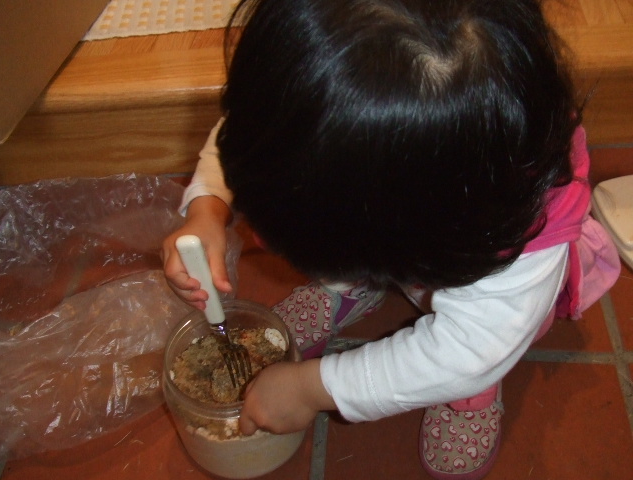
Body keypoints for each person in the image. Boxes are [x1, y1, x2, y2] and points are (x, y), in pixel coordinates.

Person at [161, 0, 621, 478]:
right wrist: (206, 210)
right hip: (393, 218)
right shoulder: (326, 112)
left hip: (484, 313)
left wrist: (311, 387)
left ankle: (471, 399)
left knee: (471, 363)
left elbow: (466, 354)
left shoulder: (514, 258)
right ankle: (351, 286)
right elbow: (259, 128)